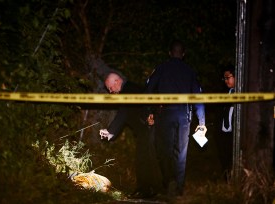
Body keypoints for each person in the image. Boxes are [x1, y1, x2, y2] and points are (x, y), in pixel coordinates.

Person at [145, 41, 207, 197]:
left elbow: (149, 89)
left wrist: (150, 111)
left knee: (164, 150)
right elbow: (198, 97)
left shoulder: (161, 68)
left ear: (169, 52)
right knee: (181, 153)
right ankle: (178, 188)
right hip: (184, 115)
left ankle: (168, 181)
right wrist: (202, 121)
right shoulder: (190, 71)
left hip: (165, 113)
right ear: (183, 54)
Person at [99, 72, 163, 198]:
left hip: (148, 128)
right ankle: (150, 189)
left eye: (110, 88)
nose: (111, 92)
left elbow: (123, 113)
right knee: (146, 158)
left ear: (117, 81)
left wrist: (111, 131)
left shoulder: (129, 89)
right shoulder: (129, 89)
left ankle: (148, 190)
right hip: (144, 129)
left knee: (146, 159)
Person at [217, 65, 235, 181]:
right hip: (224, 134)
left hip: (234, 133)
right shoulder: (226, 93)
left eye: (228, 77)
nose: (226, 81)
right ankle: (226, 181)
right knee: (224, 159)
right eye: (224, 78)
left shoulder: (241, 94)